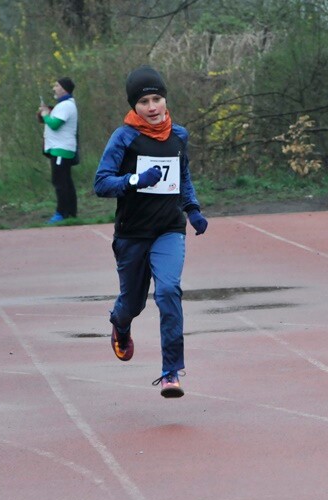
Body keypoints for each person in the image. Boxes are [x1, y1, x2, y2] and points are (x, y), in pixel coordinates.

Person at [93, 65, 209, 398]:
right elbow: (101, 183)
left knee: (169, 290)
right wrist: (133, 181)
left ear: (165, 99)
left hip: (169, 229)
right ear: (134, 106)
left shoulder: (179, 136)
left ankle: (171, 371)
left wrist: (193, 209)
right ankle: (120, 323)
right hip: (132, 234)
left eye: (157, 98)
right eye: (144, 102)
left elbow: (183, 176)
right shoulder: (124, 137)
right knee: (132, 303)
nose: (153, 107)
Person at [37, 76, 79, 223]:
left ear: (64, 88)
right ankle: (71, 213)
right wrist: (47, 113)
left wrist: (45, 114)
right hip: (60, 149)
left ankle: (61, 213)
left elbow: (54, 124)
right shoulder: (64, 105)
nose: (54, 88)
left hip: (61, 150)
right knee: (66, 182)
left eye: (56, 85)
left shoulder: (66, 105)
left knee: (60, 182)